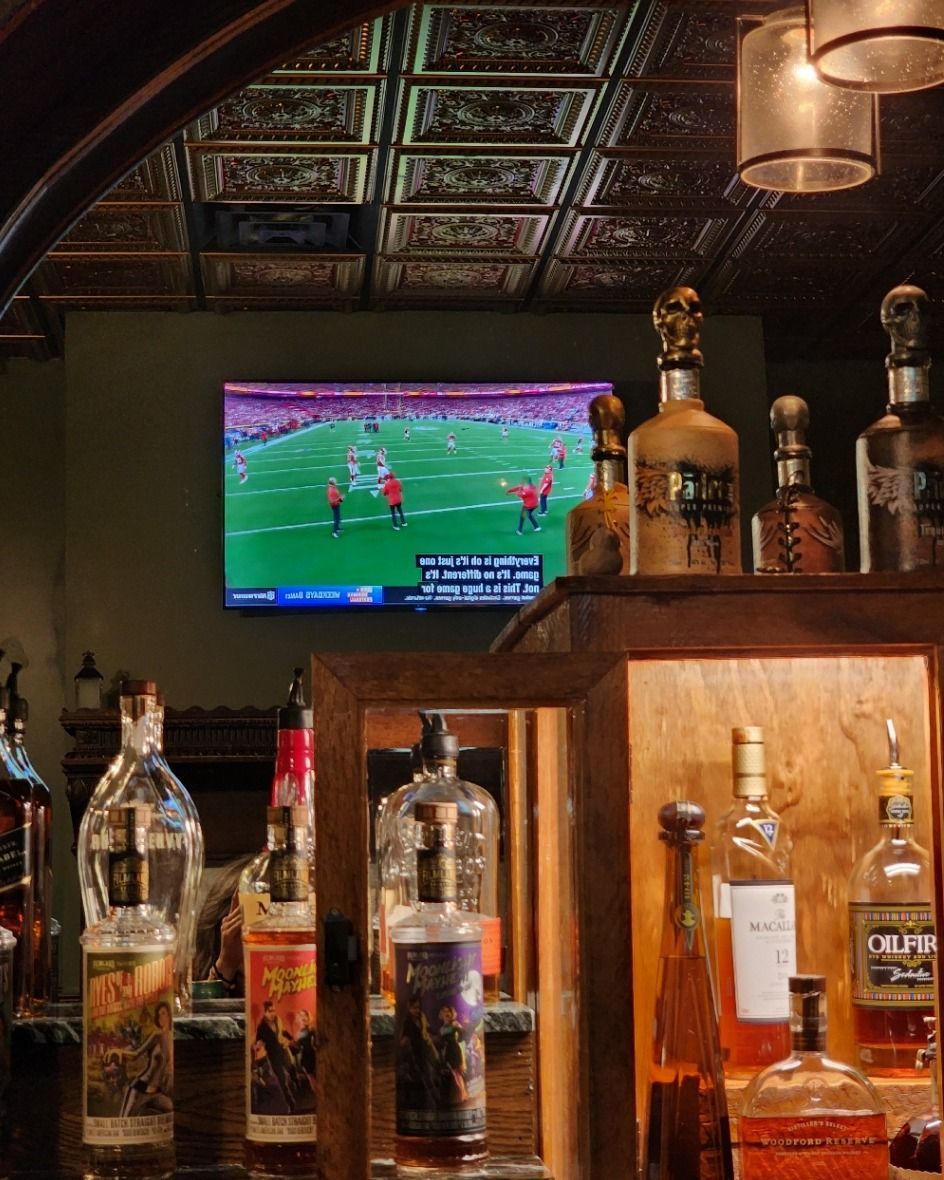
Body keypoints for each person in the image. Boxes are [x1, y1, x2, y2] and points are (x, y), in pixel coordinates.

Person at [119, 1001, 174, 1117]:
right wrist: (118, 1052)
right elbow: (136, 1054)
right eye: (159, 1015)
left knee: (170, 1108)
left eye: (163, 1013)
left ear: (170, 1015)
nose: (160, 1017)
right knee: (124, 1122)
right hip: (140, 1088)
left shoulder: (172, 1038)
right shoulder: (157, 1035)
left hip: (156, 1092)